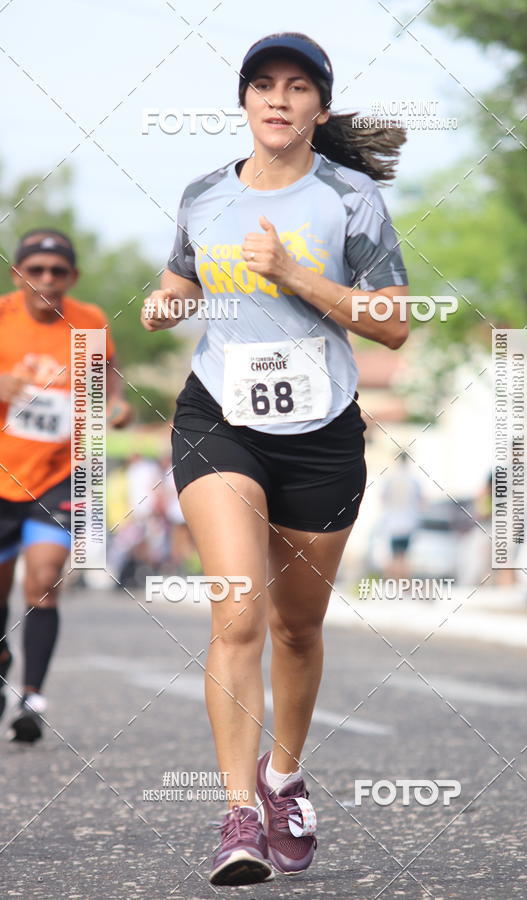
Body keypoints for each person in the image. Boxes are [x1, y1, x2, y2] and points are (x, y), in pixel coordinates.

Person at [141, 32, 410, 886]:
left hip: (323, 427)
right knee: (238, 615)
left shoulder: (351, 199)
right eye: (264, 85)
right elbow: (185, 276)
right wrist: (165, 301)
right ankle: (238, 817)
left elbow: (393, 322)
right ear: (246, 103)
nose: (279, 99)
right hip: (220, 417)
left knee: (297, 625)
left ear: (318, 109)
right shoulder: (204, 195)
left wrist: (297, 274)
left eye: (298, 88)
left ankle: (283, 777)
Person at [0, 229, 132, 742]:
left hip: (63, 472)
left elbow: (109, 380)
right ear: (18, 274)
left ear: (72, 277)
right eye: (36, 270)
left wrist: (115, 407)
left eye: (58, 271)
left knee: (44, 581)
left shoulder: (90, 320)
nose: (47, 280)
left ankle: (32, 696)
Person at [379, 451, 423, 579]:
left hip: (393, 522)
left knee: (394, 555)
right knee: (404, 556)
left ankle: (393, 581)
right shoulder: (413, 479)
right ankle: (403, 581)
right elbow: (421, 500)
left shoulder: (390, 479)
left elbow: (382, 498)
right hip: (409, 522)